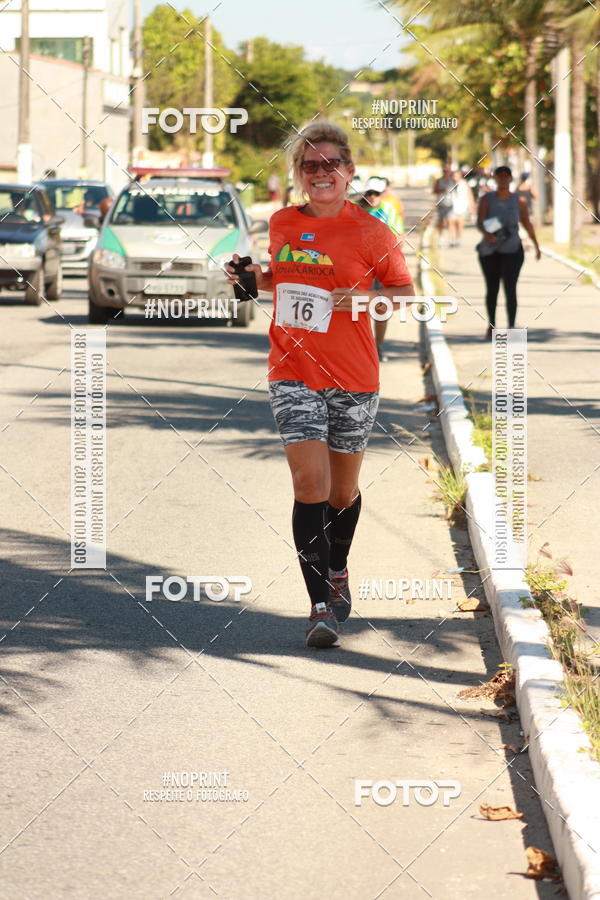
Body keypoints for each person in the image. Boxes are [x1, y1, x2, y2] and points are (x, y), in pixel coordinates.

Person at [226, 121, 414, 648]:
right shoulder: (283, 222)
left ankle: (338, 568)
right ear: (299, 175)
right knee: (309, 485)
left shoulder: (372, 229)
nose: (321, 173)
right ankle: (319, 608)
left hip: (354, 375)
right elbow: (278, 279)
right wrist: (247, 279)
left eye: (331, 163)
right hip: (293, 370)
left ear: (349, 171)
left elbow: (402, 293)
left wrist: (361, 301)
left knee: (341, 491)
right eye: (311, 165)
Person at [476, 165, 541, 338]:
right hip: (490, 251)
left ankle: (511, 325)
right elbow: (480, 221)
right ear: (495, 178)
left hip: (512, 249)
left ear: (511, 179)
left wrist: (536, 245)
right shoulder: (487, 199)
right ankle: (491, 325)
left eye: (506, 176)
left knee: (510, 287)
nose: (503, 179)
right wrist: (486, 233)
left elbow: (527, 223)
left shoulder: (519, 200)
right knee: (492, 288)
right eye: (500, 176)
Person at [357, 176, 405, 361]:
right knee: (357, 309)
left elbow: (398, 236)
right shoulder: (354, 210)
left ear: (382, 193)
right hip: (358, 268)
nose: (372, 197)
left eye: (376, 193)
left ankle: (378, 346)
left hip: (382, 267)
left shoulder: (388, 210)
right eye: (369, 193)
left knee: (381, 308)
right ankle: (361, 347)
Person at [448, 169, 475, 247]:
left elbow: (470, 195)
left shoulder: (464, 184)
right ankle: (452, 239)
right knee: (451, 223)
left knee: (460, 224)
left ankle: (458, 239)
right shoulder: (449, 184)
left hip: (461, 207)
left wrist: (472, 207)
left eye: (457, 176)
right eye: (454, 175)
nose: (455, 177)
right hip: (451, 207)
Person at [433, 162, 454, 246]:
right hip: (441, 203)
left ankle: (451, 239)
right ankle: (441, 238)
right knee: (441, 222)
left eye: (448, 170)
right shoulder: (439, 180)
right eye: (445, 170)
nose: (447, 172)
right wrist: (443, 190)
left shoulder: (453, 180)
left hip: (450, 203)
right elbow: (434, 191)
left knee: (450, 221)